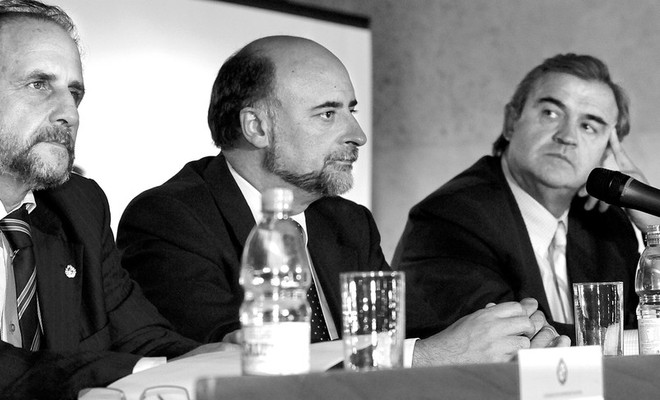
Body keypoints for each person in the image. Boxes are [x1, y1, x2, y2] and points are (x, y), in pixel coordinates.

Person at [117, 35, 568, 368]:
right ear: (256, 127)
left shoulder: (347, 221)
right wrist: (432, 355)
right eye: (328, 113)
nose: (357, 135)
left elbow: (404, 333)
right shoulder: (170, 217)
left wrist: (505, 330)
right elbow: (233, 360)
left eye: (351, 111)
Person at [0, 0, 219, 400]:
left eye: (74, 93)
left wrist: (218, 363)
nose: (69, 114)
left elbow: (143, 338)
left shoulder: (78, 206)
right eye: (39, 84)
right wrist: (142, 370)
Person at [393, 53, 648, 341]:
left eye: (589, 126)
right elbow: (516, 342)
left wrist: (654, 229)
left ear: (606, 152)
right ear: (512, 121)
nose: (567, 136)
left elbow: (651, 315)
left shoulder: (605, 224)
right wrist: (633, 338)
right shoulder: (450, 219)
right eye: (551, 113)